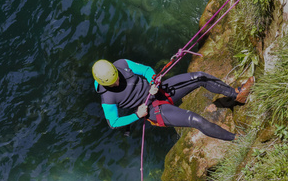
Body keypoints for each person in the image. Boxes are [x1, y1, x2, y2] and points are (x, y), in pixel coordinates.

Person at [92, 59, 254, 141]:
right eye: (113, 83)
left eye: (116, 77)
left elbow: (146, 70)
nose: (117, 82)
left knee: (199, 77)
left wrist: (153, 80)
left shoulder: (122, 64)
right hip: (152, 110)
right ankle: (238, 139)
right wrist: (137, 115)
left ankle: (237, 94)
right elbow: (113, 122)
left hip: (159, 91)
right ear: (104, 83)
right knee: (194, 119)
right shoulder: (107, 97)